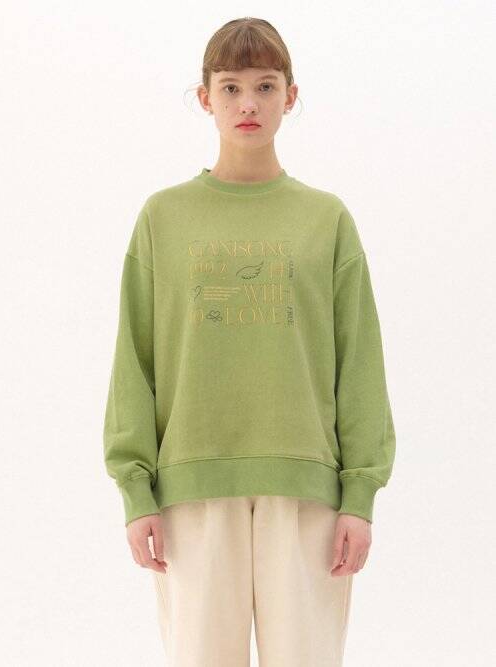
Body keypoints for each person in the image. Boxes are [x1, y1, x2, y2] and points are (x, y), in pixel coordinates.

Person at [103, 17, 396, 667]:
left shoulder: (326, 219)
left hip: (307, 489)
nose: (248, 104)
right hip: (192, 486)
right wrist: (135, 490)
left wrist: (360, 495)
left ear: (290, 96)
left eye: (265, 86)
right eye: (230, 87)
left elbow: (359, 361)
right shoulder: (162, 217)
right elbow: (134, 361)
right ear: (204, 97)